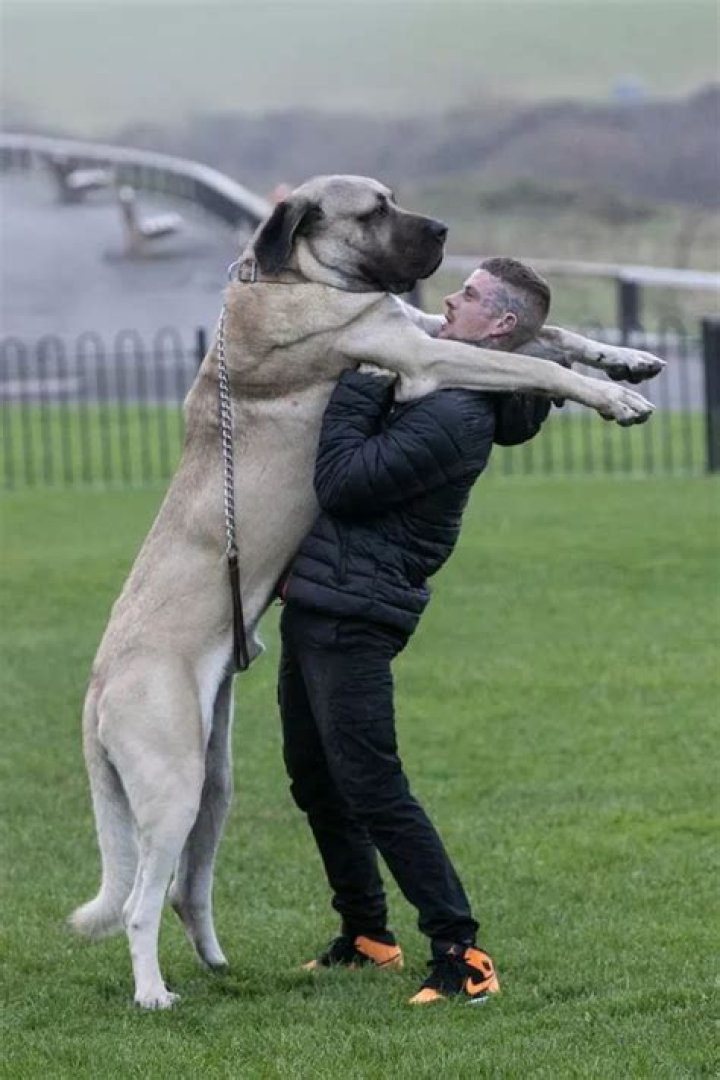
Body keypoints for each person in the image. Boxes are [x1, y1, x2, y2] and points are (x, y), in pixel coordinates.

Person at [277, 258, 552, 1005]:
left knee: (371, 784)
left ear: (498, 325)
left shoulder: (458, 413)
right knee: (315, 779)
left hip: (356, 613)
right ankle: (368, 936)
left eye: (465, 297)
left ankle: (463, 954)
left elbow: (343, 481)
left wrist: (365, 377)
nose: (448, 301)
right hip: (321, 599)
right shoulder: (441, 386)